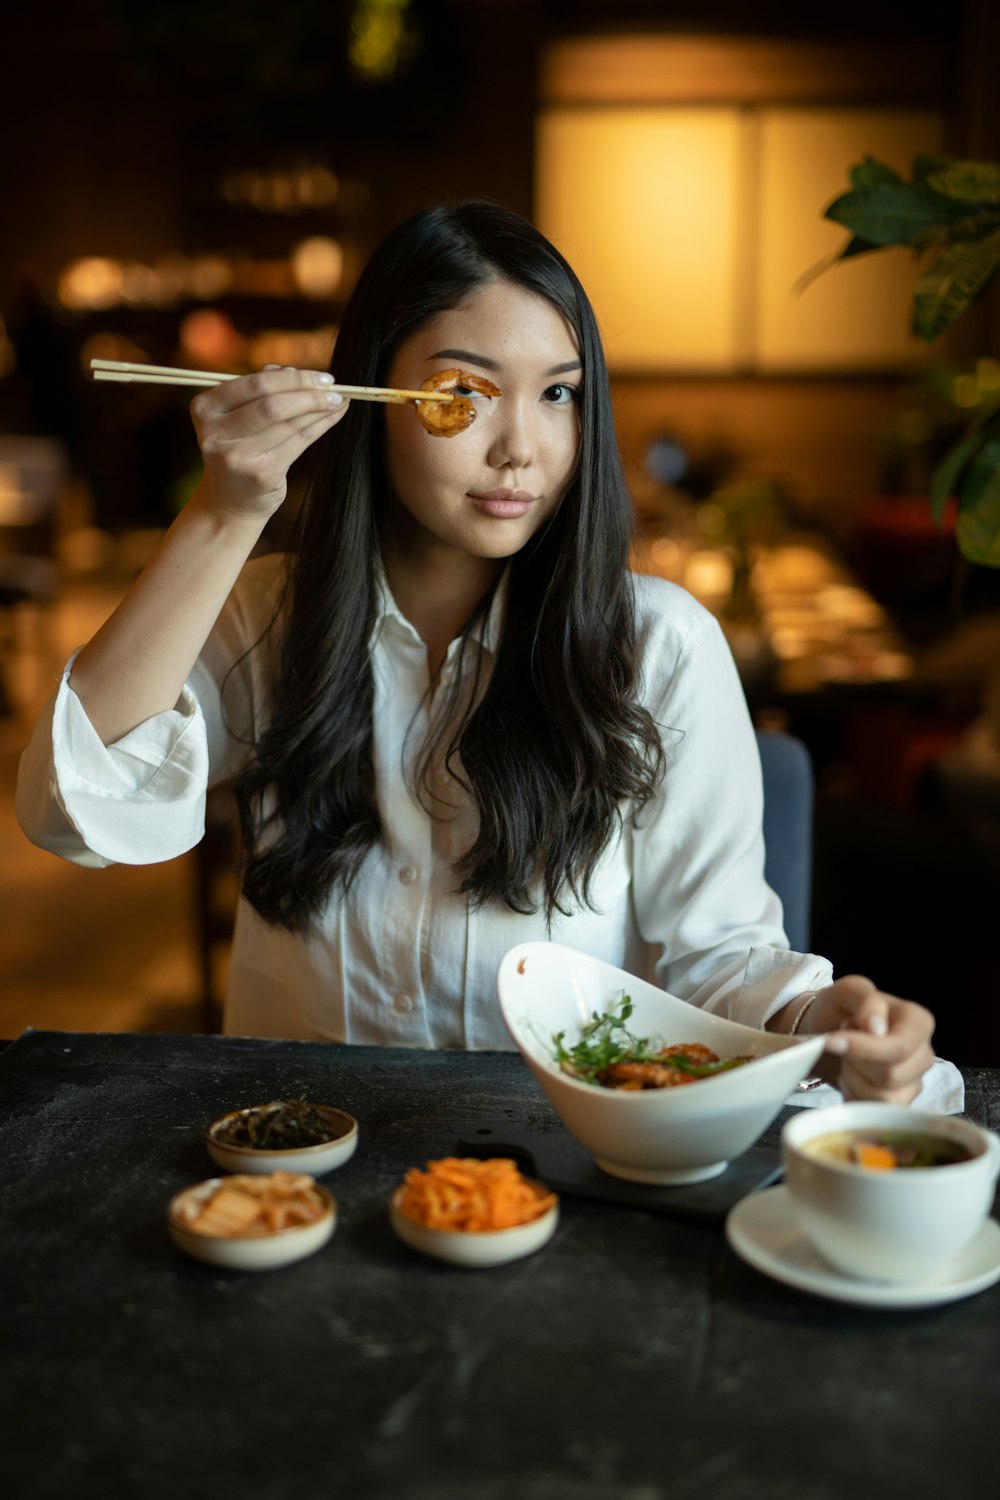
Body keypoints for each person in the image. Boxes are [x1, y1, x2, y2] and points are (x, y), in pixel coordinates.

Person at [16, 200, 949, 1107]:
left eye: (557, 394)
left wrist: (822, 1017)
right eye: (464, 394)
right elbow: (69, 810)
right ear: (370, 393)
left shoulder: (658, 645)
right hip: (296, 1165)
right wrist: (224, 512)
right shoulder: (268, 617)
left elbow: (719, 956)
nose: (520, 449)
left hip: (554, 1169)